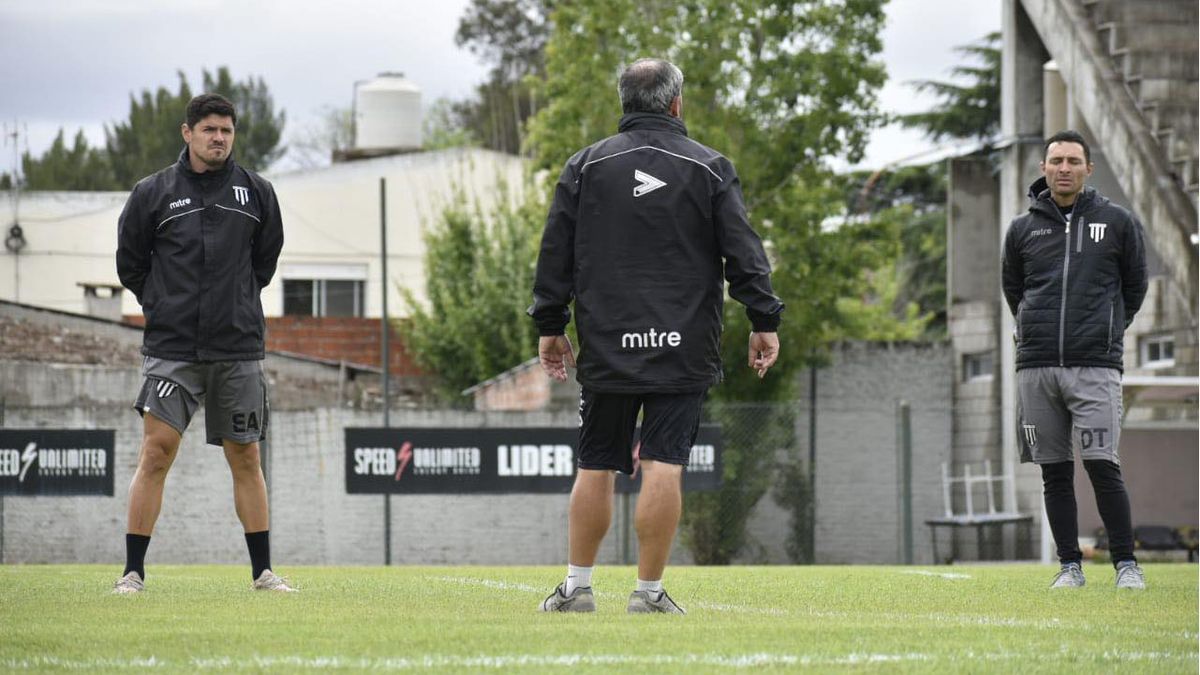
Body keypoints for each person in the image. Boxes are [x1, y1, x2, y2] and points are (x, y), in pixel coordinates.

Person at [529, 58, 784, 614]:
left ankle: (576, 588)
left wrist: (550, 325)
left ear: (624, 103)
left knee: (595, 463)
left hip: (608, 343)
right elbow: (744, 252)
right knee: (665, 462)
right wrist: (763, 320)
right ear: (676, 104)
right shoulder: (711, 168)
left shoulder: (584, 167)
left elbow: (555, 253)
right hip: (684, 342)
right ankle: (647, 593)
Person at [113, 94, 291, 593]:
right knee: (157, 452)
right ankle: (132, 573)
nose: (219, 138)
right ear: (187, 132)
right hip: (173, 349)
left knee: (246, 457)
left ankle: (263, 573)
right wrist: (164, 303)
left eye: (227, 131)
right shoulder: (153, 193)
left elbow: (264, 263)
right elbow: (131, 263)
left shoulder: (258, 193)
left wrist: (234, 301)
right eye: (209, 129)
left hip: (238, 348)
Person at [1002, 130, 1148, 590]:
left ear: (1089, 169)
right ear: (1043, 168)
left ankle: (1126, 565)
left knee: (1103, 464)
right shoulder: (1022, 229)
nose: (1064, 168)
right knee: (1054, 472)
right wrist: (1033, 328)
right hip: (1037, 367)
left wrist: (1105, 330)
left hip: (1096, 367)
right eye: (1056, 160)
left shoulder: (1118, 222)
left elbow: (1135, 287)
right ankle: (1070, 567)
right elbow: (1014, 291)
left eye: (1072, 160)